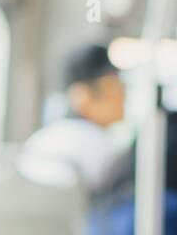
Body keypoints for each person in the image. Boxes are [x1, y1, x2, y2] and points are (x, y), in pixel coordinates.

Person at [22, 44, 126, 193]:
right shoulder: (95, 145)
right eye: (113, 88)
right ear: (82, 96)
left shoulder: (41, 139)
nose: (122, 97)